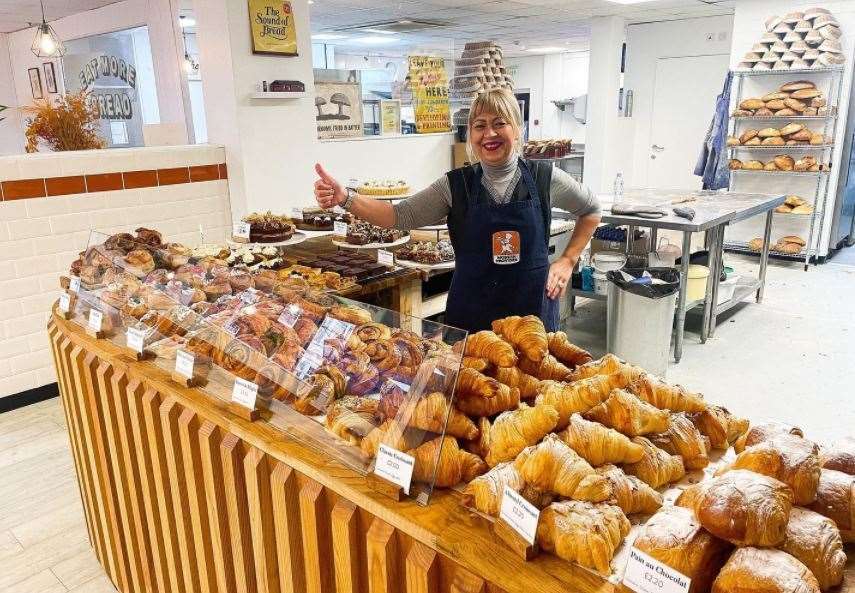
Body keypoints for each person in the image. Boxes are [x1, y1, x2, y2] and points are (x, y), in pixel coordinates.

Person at [313, 88, 601, 333]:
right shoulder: (455, 186)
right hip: (473, 316)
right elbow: (400, 216)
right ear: (470, 134)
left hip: (531, 316)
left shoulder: (545, 178)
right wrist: (346, 198)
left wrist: (567, 260)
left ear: (517, 128)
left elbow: (591, 210)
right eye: (479, 125)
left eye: (499, 123)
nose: (489, 133)